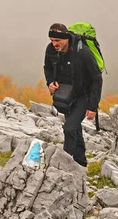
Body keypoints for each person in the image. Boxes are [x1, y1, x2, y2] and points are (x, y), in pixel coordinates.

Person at [44, 23, 103, 167]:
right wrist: (50, 82)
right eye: (52, 40)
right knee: (74, 128)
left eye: (58, 41)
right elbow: (48, 68)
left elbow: (97, 79)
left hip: (84, 95)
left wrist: (92, 106)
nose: (54, 44)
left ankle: (65, 164)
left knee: (69, 128)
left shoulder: (82, 52)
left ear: (66, 38)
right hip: (66, 96)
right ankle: (80, 164)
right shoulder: (51, 50)